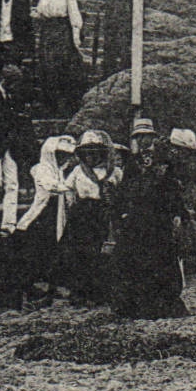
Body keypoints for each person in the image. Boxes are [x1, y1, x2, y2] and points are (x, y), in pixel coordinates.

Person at [114, 121, 190, 319]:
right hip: (138, 217)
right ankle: (137, 304)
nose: (142, 140)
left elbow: (174, 188)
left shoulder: (164, 160)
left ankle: (164, 302)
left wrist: (178, 213)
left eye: (145, 136)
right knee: (135, 257)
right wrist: (123, 209)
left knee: (162, 257)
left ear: (153, 137)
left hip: (159, 217)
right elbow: (125, 188)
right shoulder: (132, 161)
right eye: (138, 137)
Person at [60, 129, 121, 303]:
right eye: (86, 153)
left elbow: (122, 192)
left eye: (94, 152)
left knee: (102, 254)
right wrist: (72, 206)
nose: (90, 156)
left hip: (104, 215)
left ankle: (100, 292)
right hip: (82, 216)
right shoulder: (78, 172)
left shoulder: (114, 171)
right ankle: (79, 292)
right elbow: (67, 190)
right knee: (79, 254)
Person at [15, 135, 79, 300]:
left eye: (65, 155)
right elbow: (48, 185)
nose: (62, 158)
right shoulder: (42, 168)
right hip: (44, 214)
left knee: (54, 250)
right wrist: (67, 187)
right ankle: (31, 287)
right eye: (59, 154)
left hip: (57, 214)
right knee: (38, 249)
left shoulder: (60, 171)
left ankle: (51, 286)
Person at [33, 0, 86, 117]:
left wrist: (76, 38)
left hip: (62, 32)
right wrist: (37, 14)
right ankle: (49, 103)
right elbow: (41, 14)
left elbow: (75, 17)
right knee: (46, 65)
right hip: (47, 32)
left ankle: (63, 104)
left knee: (61, 64)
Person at [98, 0, 145, 77]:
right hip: (110, 21)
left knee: (125, 49)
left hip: (126, 20)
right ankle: (108, 78)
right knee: (109, 50)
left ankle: (125, 78)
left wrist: (137, 8)